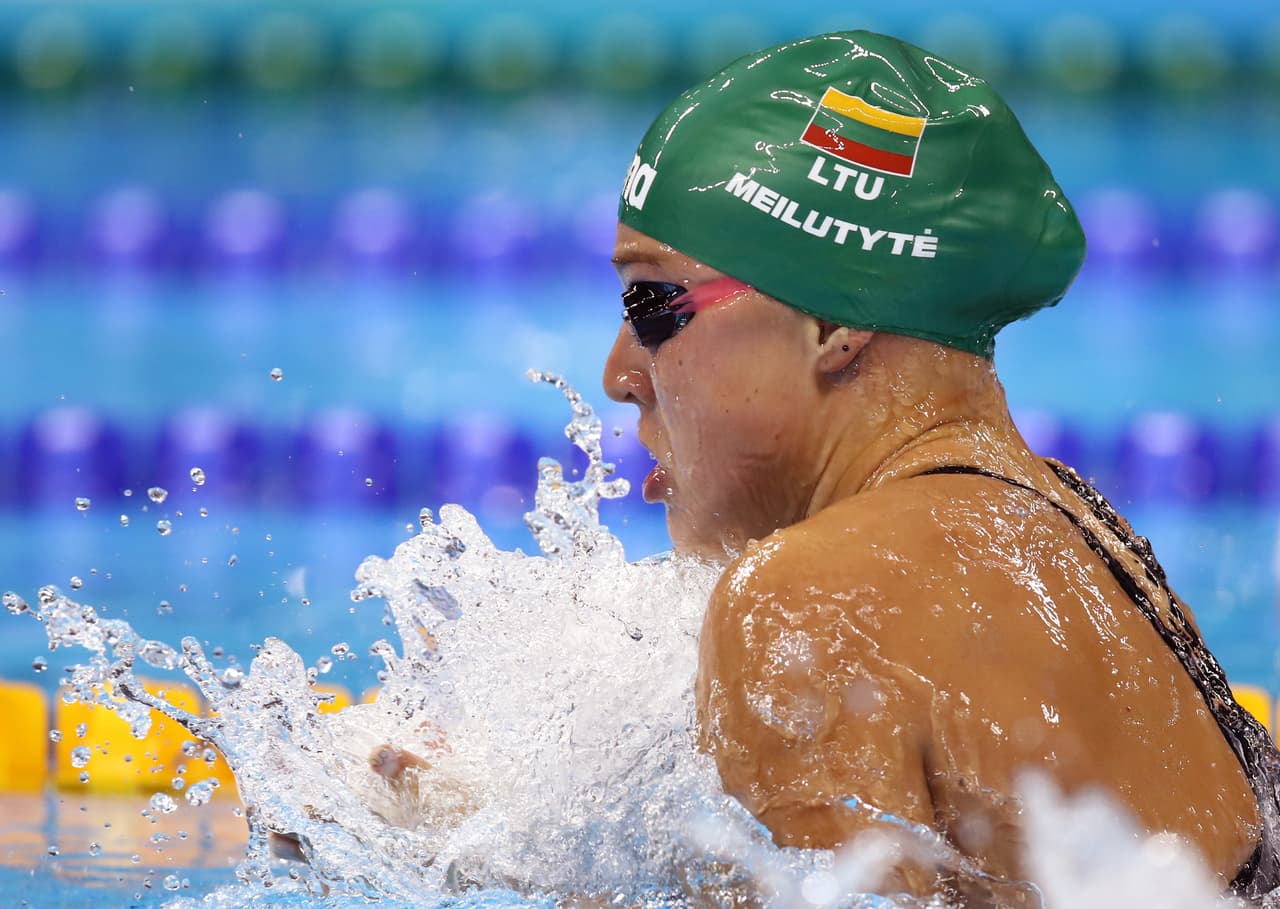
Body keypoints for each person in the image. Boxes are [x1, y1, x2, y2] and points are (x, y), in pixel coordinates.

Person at [602, 29, 1280, 903]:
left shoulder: (803, 599)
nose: (620, 374)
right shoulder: (1087, 540)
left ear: (831, 323)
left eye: (653, 305)